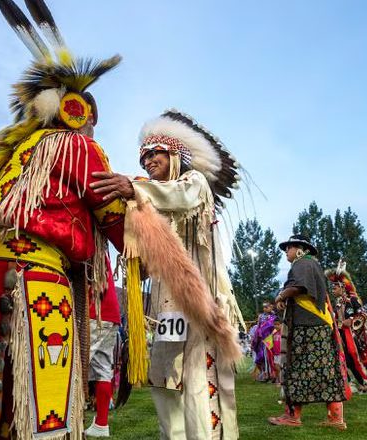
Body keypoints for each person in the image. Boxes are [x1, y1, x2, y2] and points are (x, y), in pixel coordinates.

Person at [0, 1, 127, 438]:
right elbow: (116, 221)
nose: (94, 131)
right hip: (35, 275)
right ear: (76, 112)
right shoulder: (76, 149)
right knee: (39, 396)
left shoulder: (13, 157)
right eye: (93, 121)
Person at [92, 109, 244, 439]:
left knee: (198, 386)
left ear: (174, 154)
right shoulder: (151, 202)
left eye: (154, 153)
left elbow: (180, 196)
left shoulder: (195, 184)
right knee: (164, 383)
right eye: (143, 157)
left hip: (200, 304)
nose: (147, 161)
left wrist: (133, 189)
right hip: (166, 310)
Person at [269, 234, 349, 430]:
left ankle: (292, 416)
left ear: (299, 249)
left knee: (296, 369)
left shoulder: (302, 263)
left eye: (288, 248)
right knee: (326, 371)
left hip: (308, 329)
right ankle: (335, 418)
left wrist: (280, 295)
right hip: (318, 327)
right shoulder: (310, 263)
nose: (286, 252)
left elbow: (298, 286)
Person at [325, 262, 367, 393]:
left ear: (342, 287)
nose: (332, 290)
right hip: (341, 334)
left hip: (353, 335)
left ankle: (366, 382)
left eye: (335, 288)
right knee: (346, 358)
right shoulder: (338, 302)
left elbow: (364, 314)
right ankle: (355, 382)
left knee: (355, 357)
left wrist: (351, 320)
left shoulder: (353, 300)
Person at [84, 260, 120, 438]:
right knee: (103, 369)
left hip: (94, 312)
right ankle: (101, 424)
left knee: (76, 365)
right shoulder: (102, 249)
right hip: (111, 314)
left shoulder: (91, 244)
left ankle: (67, 417)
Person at [252, 302, 277, 382]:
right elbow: (258, 327)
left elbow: (271, 326)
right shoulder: (261, 316)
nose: (265, 308)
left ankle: (272, 374)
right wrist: (256, 337)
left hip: (269, 339)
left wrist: (262, 330)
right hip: (261, 340)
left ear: (271, 307)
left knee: (270, 356)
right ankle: (264, 374)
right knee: (262, 356)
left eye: (267, 307)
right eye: (264, 307)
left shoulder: (274, 317)